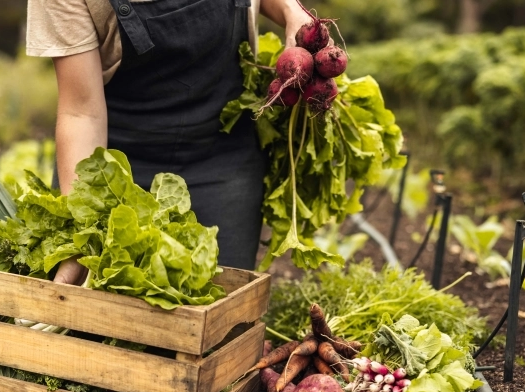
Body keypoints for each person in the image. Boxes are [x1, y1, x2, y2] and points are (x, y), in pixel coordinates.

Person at [26, 0, 311, 284]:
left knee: (220, 310)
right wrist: (81, 228)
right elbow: (81, 113)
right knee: (98, 319)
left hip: (225, 156)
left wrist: (290, 10)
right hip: (117, 173)